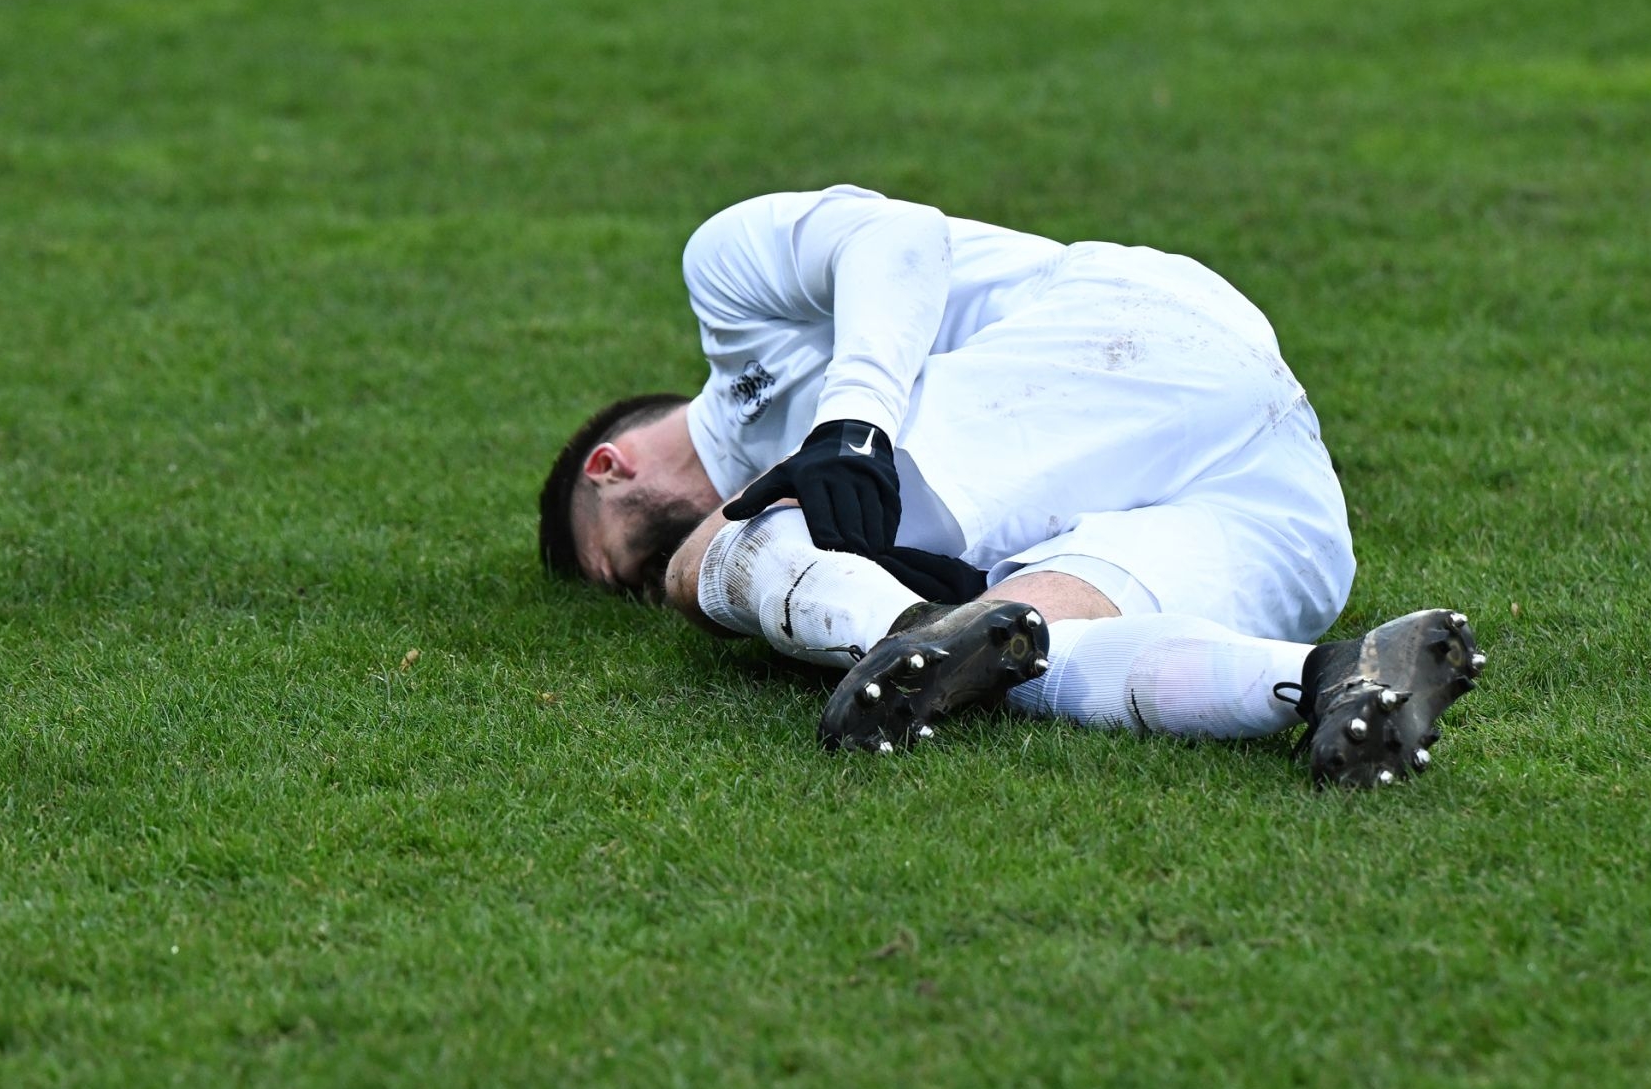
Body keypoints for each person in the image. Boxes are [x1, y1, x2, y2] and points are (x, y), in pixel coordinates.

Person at [538, 185, 1484, 786]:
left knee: (702, 566)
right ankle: (1330, 680)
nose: (638, 583)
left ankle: (892, 632)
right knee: (1025, 649)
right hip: (1282, 502)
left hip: (1134, 333)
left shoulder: (727, 288)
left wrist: (853, 424)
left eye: (620, 560)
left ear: (608, 468)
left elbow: (897, 236)